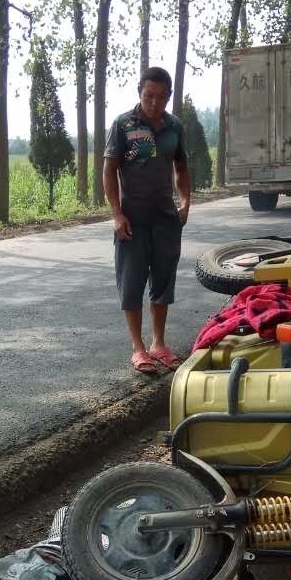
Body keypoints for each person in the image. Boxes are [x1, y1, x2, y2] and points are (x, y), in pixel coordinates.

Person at [103, 66, 191, 375]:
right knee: (131, 283)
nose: (154, 102)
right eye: (148, 95)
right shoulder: (123, 125)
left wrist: (185, 201)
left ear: (168, 96)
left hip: (165, 218)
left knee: (163, 282)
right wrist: (116, 213)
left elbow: (181, 167)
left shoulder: (174, 127)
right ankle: (138, 349)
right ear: (140, 93)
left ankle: (158, 344)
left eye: (161, 97)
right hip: (133, 220)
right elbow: (109, 170)